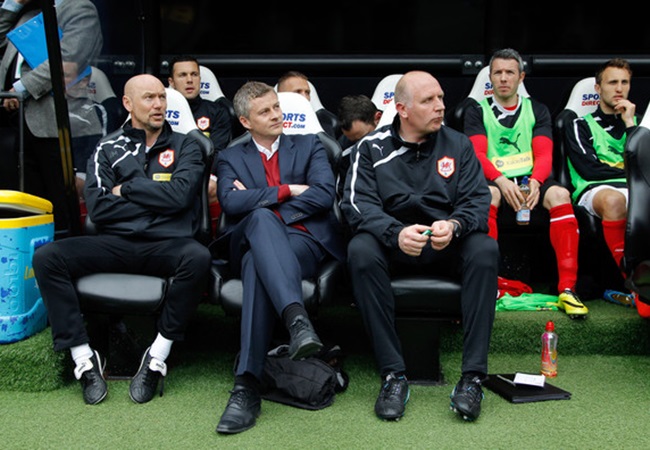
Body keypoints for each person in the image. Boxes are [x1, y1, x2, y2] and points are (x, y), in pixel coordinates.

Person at [32, 74, 211, 405]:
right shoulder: (107, 147)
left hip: (166, 244)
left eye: (161, 97)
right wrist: (156, 202)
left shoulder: (187, 144)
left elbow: (180, 197)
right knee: (47, 257)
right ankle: (83, 358)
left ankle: (157, 356)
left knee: (198, 257)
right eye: (149, 98)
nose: (158, 105)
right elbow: (99, 209)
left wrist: (127, 189)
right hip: (115, 243)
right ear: (128, 103)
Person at [341, 70, 499, 422]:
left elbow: (477, 203)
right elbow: (355, 206)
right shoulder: (370, 148)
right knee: (360, 250)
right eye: (429, 101)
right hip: (394, 247)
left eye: (441, 98)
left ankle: (473, 377)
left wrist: (455, 225)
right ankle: (393, 375)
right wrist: (394, 233)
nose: (441, 106)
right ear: (403, 109)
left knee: (485, 249)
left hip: (445, 245)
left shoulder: (459, 145)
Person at [213, 81, 345, 434]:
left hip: (304, 242)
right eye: (265, 111)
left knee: (260, 250)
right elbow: (230, 203)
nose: (276, 115)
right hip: (249, 239)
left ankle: (245, 388)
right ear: (245, 121)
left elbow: (321, 196)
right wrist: (286, 190)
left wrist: (261, 201)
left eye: (276, 107)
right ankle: (297, 321)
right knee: (257, 222)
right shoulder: (229, 157)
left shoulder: (310, 145)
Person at [464, 48, 587, 318]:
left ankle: (567, 288)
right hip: (494, 180)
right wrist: (500, 180)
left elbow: (544, 154)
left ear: (521, 76)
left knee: (560, 195)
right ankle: (490, 283)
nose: (504, 78)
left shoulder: (537, 110)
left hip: (532, 177)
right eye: (498, 72)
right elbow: (478, 155)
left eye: (510, 72)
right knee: (488, 195)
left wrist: (535, 181)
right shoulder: (475, 111)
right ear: (490, 78)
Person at [0, 0, 103, 237]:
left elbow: (68, 58)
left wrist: (22, 88)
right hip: (19, 120)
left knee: (59, 199)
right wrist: (13, 5)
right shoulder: (29, 13)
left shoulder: (79, 8)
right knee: (28, 198)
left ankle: (64, 253)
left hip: (57, 121)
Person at [563, 58, 643, 312]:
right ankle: (632, 282)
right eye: (612, 83)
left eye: (624, 82)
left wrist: (630, 125)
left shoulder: (639, 125)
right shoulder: (579, 124)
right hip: (594, 190)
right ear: (598, 89)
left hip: (636, 189)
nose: (619, 89)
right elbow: (590, 169)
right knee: (614, 200)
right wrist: (630, 172)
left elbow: (645, 164)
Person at [167, 54, 232, 226]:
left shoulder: (217, 111)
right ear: (171, 82)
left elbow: (218, 152)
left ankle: (210, 241)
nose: (190, 80)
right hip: (166, 168)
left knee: (211, 187)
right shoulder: (160, 110)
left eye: (194, 75)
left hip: (204, 172)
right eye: (182, 75)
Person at [335, 94, 382, 198]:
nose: (360, 146)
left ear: (378, 118)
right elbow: (343, 191)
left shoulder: (401, 135)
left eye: (363, 138)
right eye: (354, 141)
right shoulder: (343, 150)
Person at [276, 70, 339, 139]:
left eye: (307, 92)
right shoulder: (270, 125)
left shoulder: (323, 127)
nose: (305, 97)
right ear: (281, 96)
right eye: (298, 92)